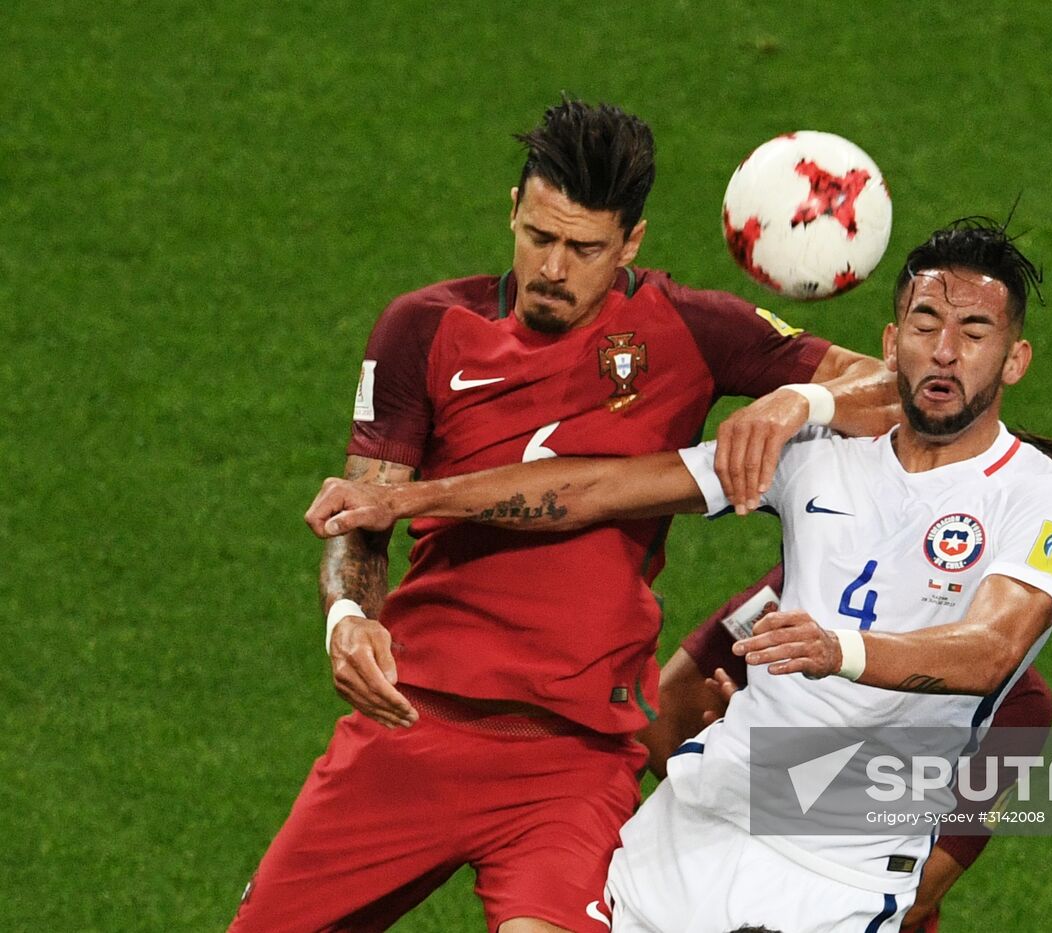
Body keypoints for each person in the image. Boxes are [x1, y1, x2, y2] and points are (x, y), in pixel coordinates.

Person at [305, 218, 1052, 930]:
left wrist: (839, 648)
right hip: (690, 828)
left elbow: (992, 649)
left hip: (834, 872)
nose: (944, 351)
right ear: (890, 341)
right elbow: (599, 487)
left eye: (974, 332)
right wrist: (415, 498)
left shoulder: (1042, 499)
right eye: (924, 322)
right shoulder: (814, 456)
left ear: (1014, 359)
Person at [231, 99, 896, 933]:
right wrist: (347, 617)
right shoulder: (426, 327)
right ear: (513, 210)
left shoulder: (690, 328)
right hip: (414, 722)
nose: (554, 267)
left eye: (584, 249)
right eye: (539, 236)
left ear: (631, 244)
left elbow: (886, 383)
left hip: (573, 760)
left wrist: (796, 399)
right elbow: (364, 508)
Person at [640, 565, 1052, 933]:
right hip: (690, 885)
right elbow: (664, 716)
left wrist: (756, 762)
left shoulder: (1019, 702)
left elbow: (920, 892)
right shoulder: (811, 578)